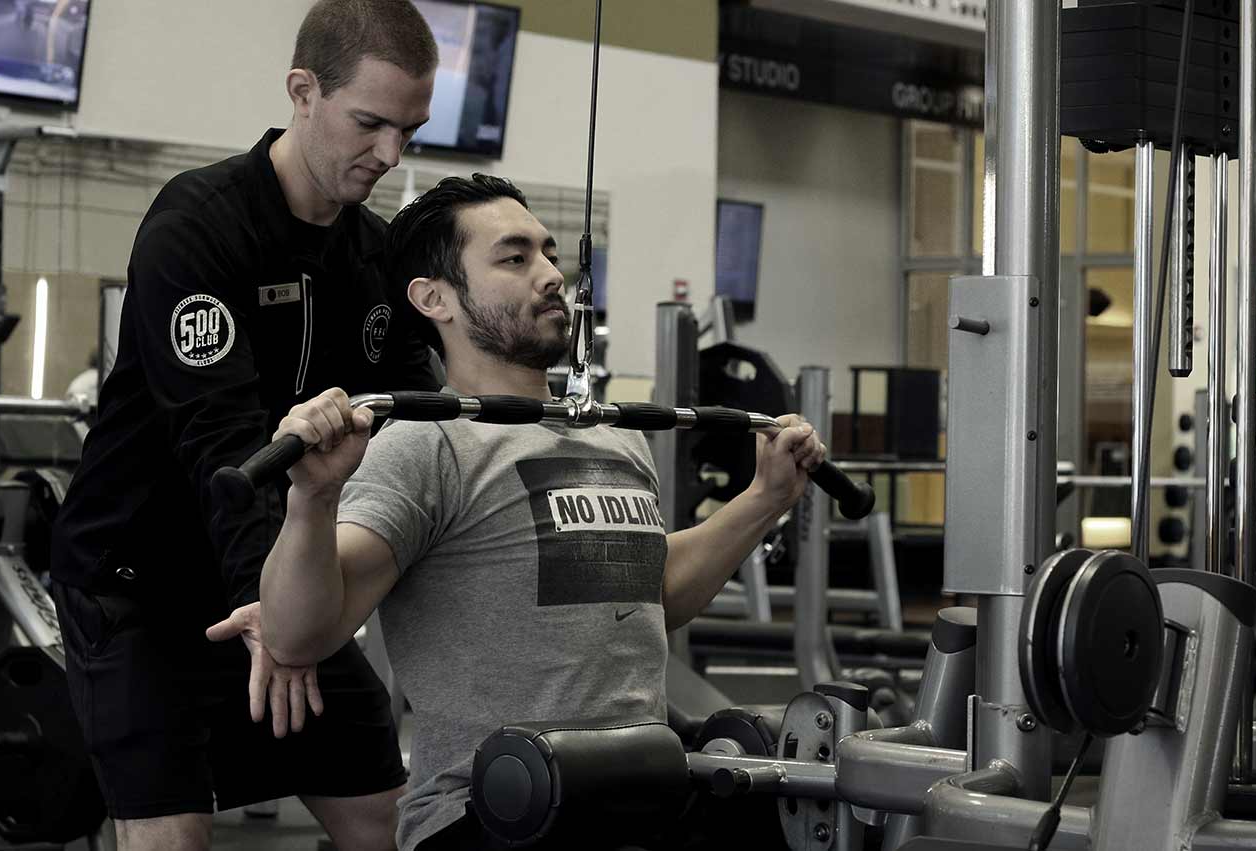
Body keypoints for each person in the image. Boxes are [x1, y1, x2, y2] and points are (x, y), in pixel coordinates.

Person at [251, 174, 827, 851]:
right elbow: (296, 637)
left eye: (550, 254)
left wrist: (765, 498)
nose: (553, 275)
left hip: (637, 793)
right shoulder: (426, 444)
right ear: (434, 298)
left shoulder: (615, 436)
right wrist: (313, 499)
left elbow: (653, 591)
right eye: (515, 257)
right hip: (493, 809)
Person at [48, 1, 442, 848]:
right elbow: (222, 447)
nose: (390, 155)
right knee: (175, 837)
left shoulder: (373, 254)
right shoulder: (199, 225)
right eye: (369, 124)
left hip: (277, 576)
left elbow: (422, 420)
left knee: (388, 820)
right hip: (140, 585)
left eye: (409, 131)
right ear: (303, 92)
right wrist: (272, 608)